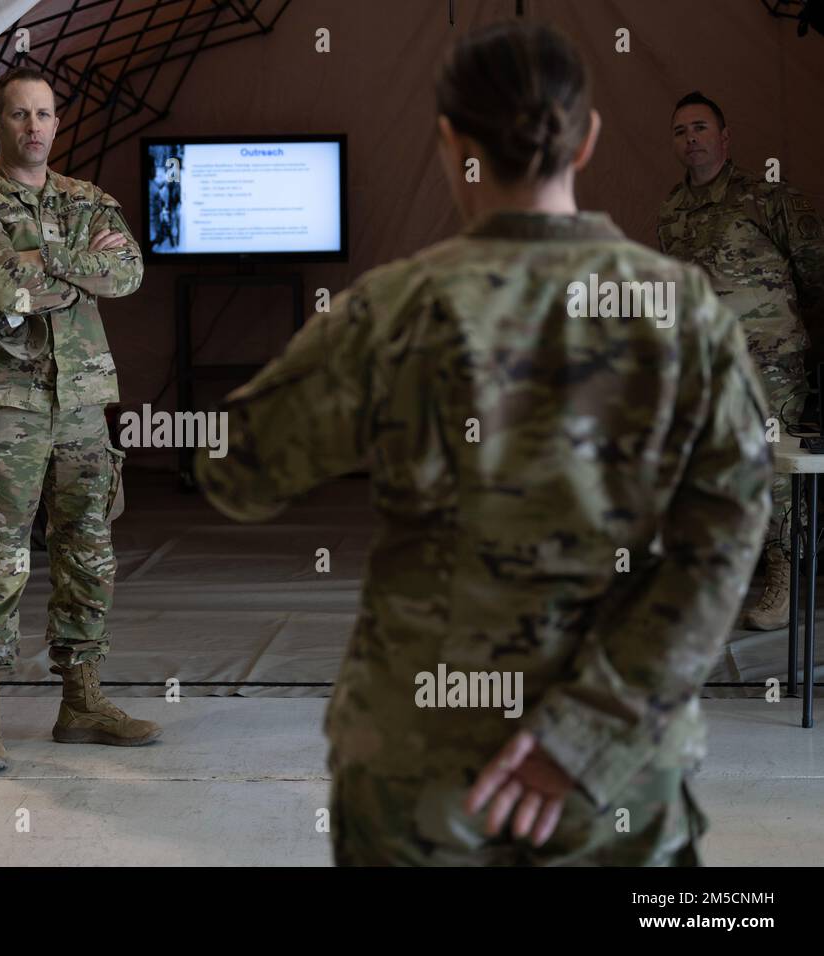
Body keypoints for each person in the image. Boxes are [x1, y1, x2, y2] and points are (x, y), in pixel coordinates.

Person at [196, 20, 772, 865]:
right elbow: (725, 542)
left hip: (418, 774)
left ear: (448, 144)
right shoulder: (683, 311)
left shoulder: (393, 308)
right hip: (612, 784)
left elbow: (236, 470)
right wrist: (583, 737)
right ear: (589, 139)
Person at [0, 67, 160, 773]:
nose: (34, 127)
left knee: (89, 551)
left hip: (82, 404)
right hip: (8, 404)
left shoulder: (86, 198)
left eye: (45, 114)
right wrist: (74, 269)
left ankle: (82, 702)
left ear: (57, 122)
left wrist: (42, 268)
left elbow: (128, 273)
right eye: (19, 115)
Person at [658, 90, 824, 630]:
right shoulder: (671, 212)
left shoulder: (767, 198)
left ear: (724, 138)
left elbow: (815, 271)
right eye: (681, 131)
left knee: (775, 469)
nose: (691, 139)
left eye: (700, 128)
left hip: (770, 364)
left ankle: (784, 580)